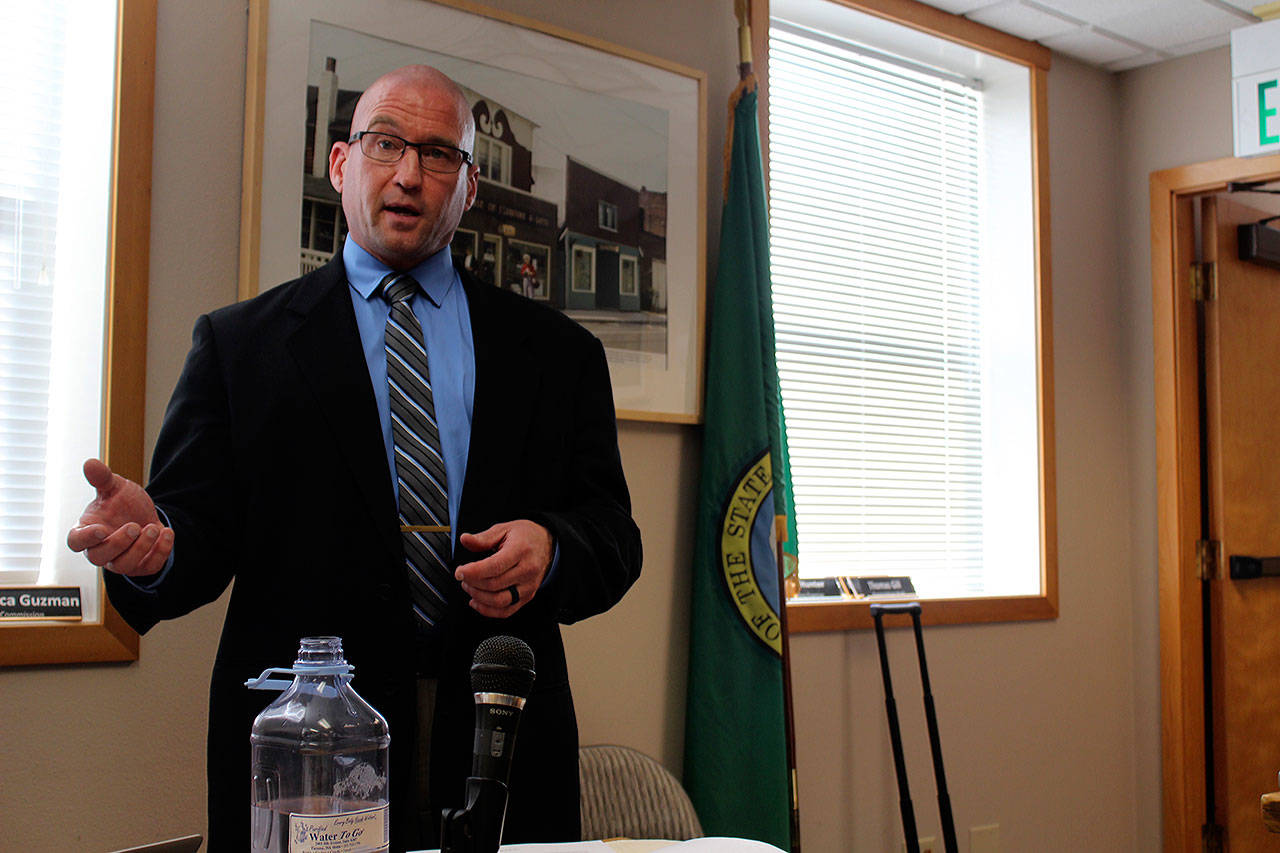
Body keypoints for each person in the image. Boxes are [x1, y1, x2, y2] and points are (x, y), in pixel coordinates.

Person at [67, 65, 641, 852]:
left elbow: (613, 535)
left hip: (500, 736)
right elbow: (195, 536)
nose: (409, 174)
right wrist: (155, 546)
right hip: (309, 744)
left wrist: (554, 546)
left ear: (469, 185)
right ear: (341, 165)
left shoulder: (557, 354)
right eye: (385, 144)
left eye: (438, 154)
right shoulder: (241, 346)